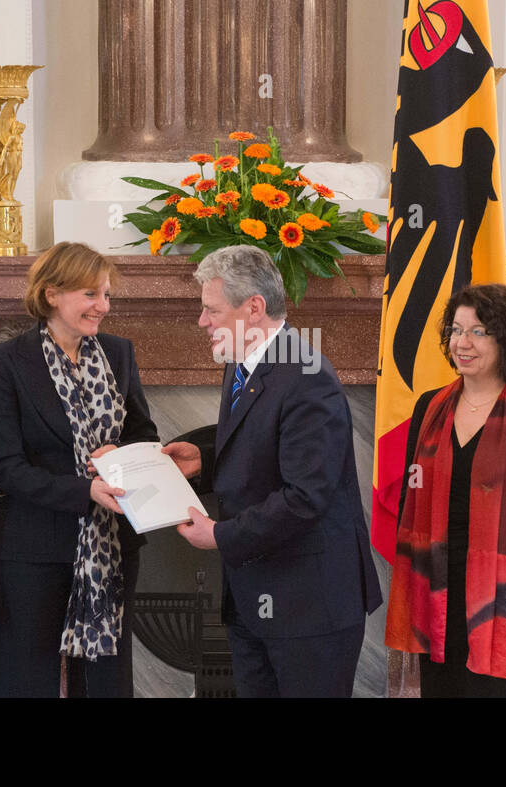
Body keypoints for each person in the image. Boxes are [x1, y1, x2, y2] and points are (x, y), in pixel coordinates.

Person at [162, 245, 382, 698]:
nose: (202, 322)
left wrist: (219, 536)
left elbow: (305, 498)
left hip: (309, 606)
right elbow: (262, 452)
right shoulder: (242, 365)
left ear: (254, 308)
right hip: (255, 601)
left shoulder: (308, 377)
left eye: (211, 310)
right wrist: (204, 462)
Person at [0, 242, 157, 697]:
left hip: (112, 543)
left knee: (105, 681)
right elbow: (7, 467)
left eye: (107, 295)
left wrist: (121, 452)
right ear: (52, 294)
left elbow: (145, 433)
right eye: (91, 295)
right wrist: (85, 491)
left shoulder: (118, 353)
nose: (103, 307)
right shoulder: (4, 363)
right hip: (30, 548)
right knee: (24, 679)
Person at [384, 284, 506, 697]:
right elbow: (410, 501)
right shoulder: (428, 407)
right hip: (433, 589)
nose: (461, 343)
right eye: (455, 330)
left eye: (478, 331)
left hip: (500, 598)